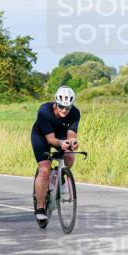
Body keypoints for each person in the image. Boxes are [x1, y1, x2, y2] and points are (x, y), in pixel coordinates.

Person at [31, 85, 80, 221]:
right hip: (42, 137)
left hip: (60, 136)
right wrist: (60, 144)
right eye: (61, 107)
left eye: (68, 107)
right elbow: (51, 140)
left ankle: (59, 177)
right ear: (55, 103)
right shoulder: (44, 111)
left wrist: (72, 142)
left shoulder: (75, 113)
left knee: (70, 157)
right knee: (45, 170)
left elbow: (71, 134)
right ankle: (40, 207)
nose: (64, 110)